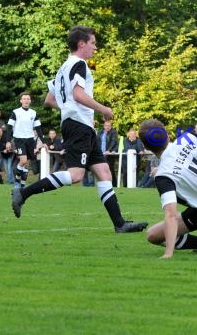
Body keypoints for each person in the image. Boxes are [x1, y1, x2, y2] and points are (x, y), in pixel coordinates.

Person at [11, 25, 147, 233]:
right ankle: (24, 193)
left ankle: (120, 224)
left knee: (103, 172)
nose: (95, 47)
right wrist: (104, 109)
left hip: (80, 125)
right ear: (81, 44)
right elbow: (78, 94)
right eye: (92, 43)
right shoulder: (80, 64)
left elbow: (49, 99)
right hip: (78, 127)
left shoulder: (63, 67)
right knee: (76, 175)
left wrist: (73, 112)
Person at [138, 119, 197, 258]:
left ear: (145, 146)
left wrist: (168, 253)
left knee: (153, 235)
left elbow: (171, 215)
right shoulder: (189, 137)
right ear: (167, 134)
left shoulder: (163, 176)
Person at [6, 92, 46, 188]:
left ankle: (22, 185)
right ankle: (16, 182)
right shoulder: (16, 112)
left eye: (28, 99)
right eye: (24, 99)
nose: (26, 100)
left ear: (30, 101)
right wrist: (8, 141)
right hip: (19, 139)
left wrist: (44, 142)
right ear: (21, 101)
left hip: (30, 140)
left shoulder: (33, 113)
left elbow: (38, 128)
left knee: (26, 164)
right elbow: (9, 127)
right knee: (23, 161)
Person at [97, 120, 118, 186]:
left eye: (109, 126)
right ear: (104, 126)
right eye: (106, 125)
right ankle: (104, 183)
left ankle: (114, 184)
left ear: (111, 126)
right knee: (101, 170)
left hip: (109, 154)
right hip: (101, 153)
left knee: (110, 169)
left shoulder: (113, 132)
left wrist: (109, 150)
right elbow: (97, 141)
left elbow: (113, 142)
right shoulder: (100, 132)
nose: (107, 127)